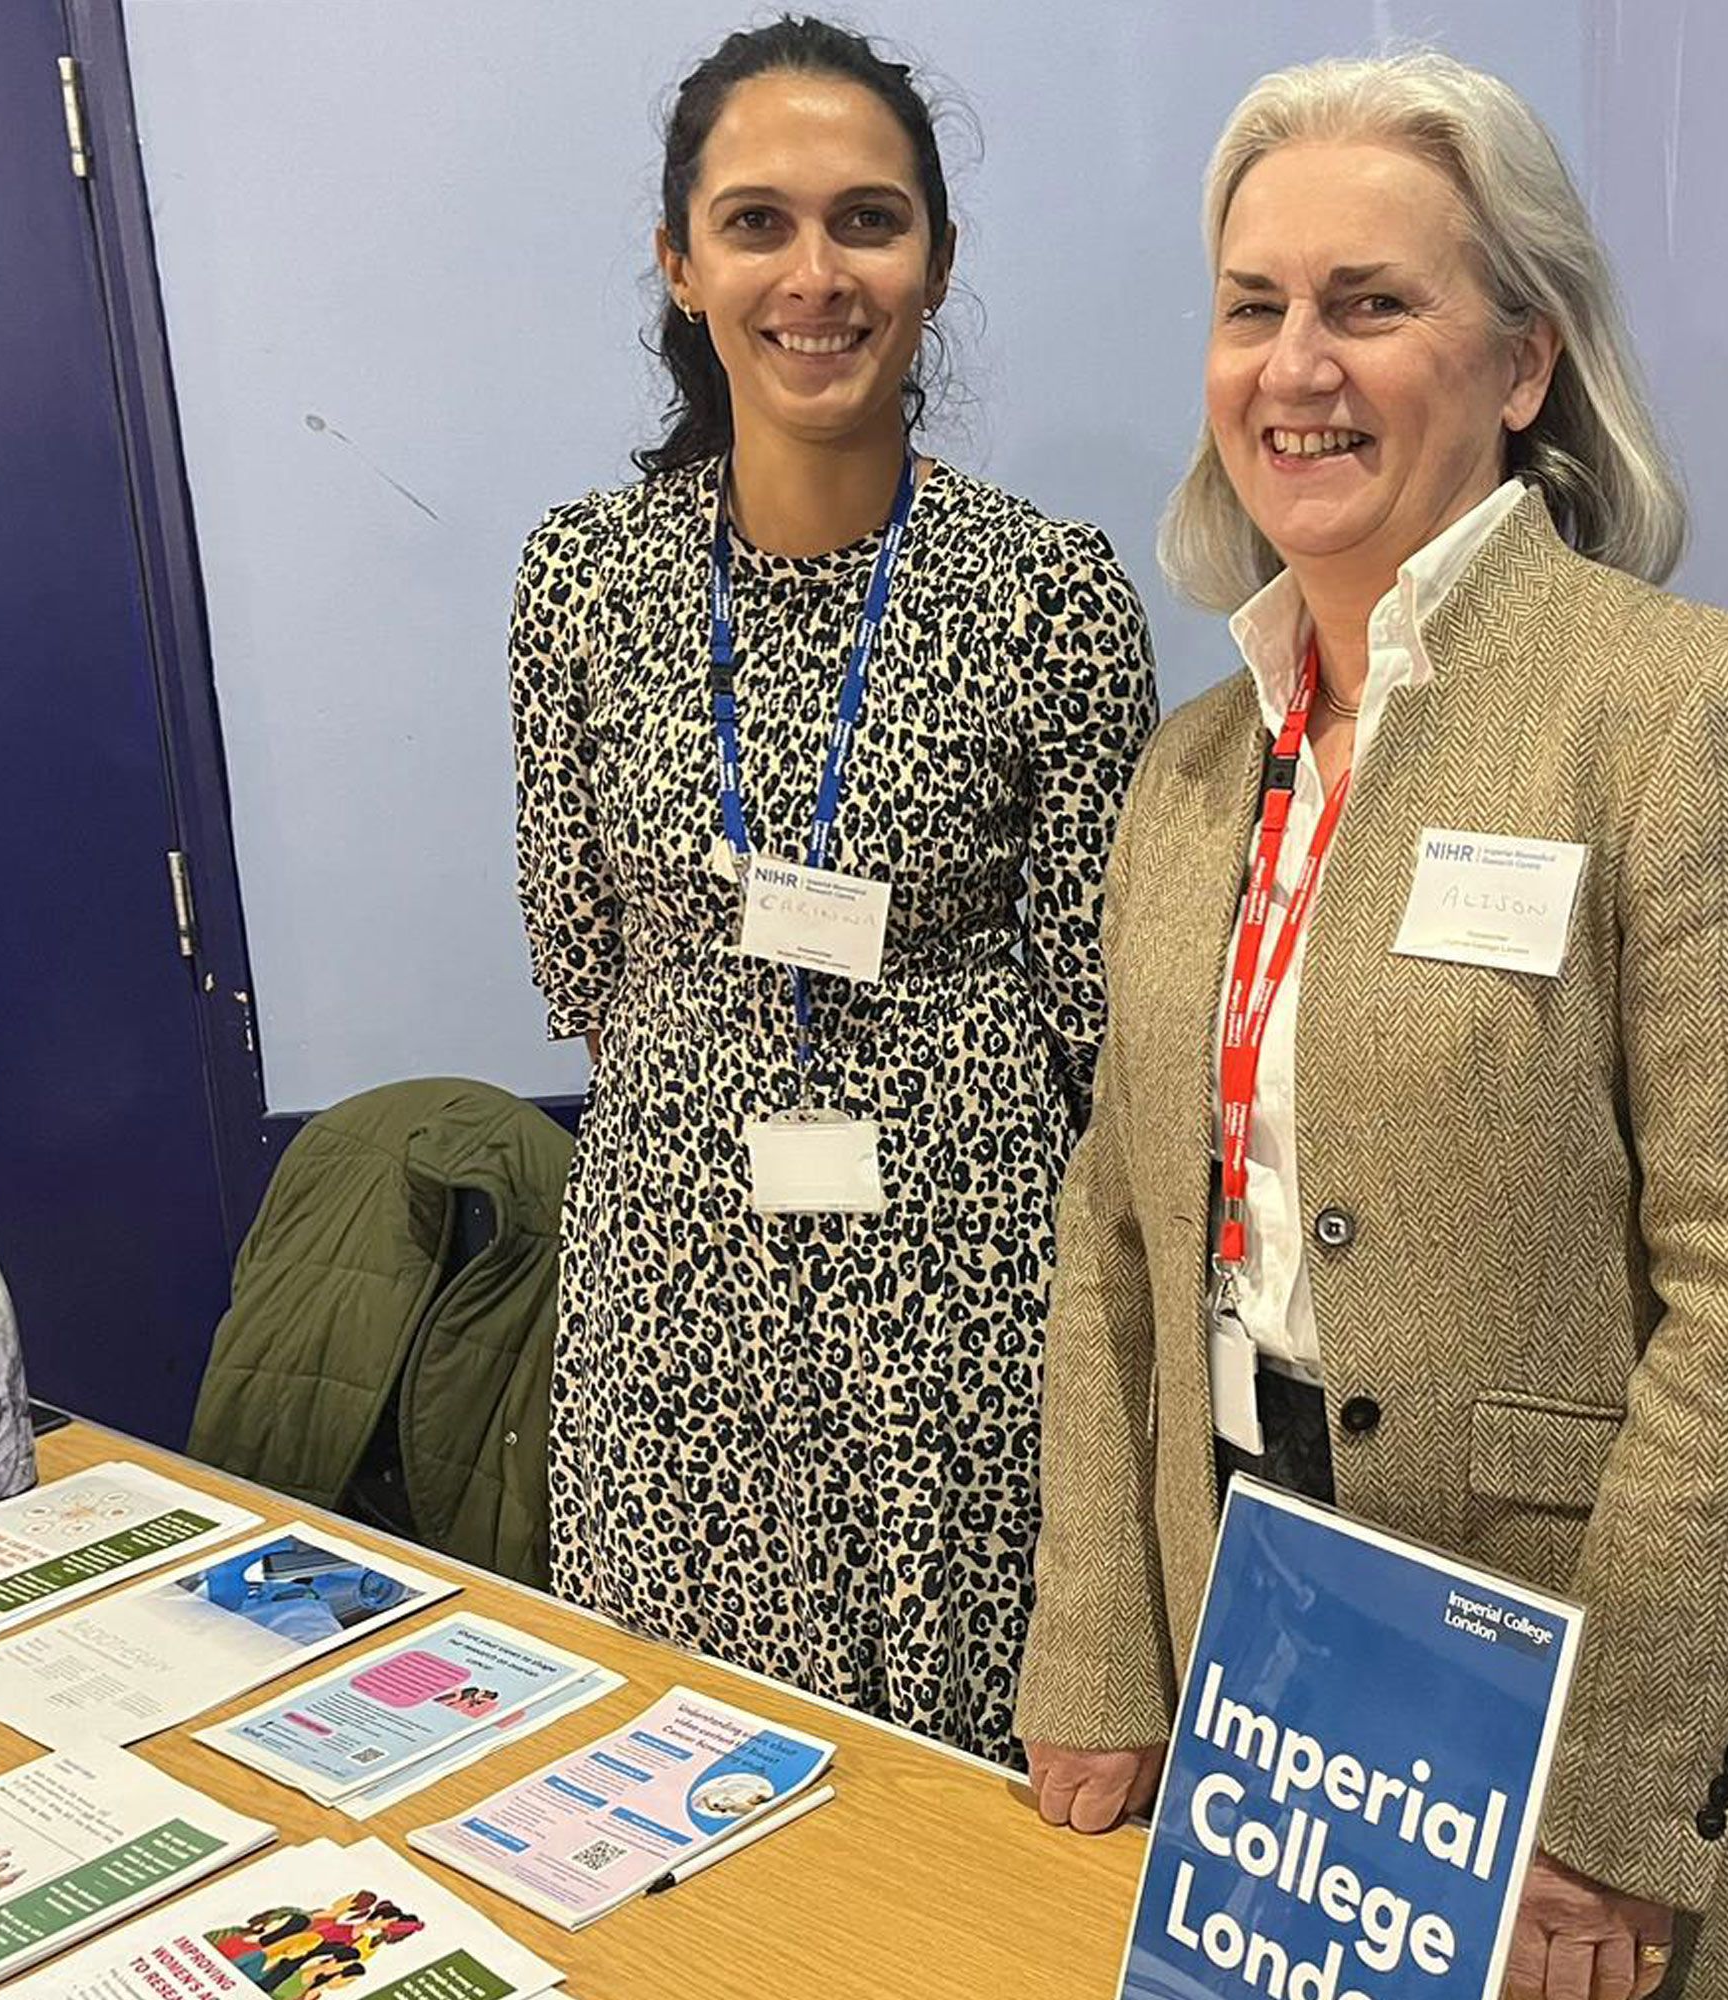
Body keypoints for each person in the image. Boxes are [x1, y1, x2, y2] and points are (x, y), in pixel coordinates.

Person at [1016, 52, 1728, 2000]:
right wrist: (1096, 1644)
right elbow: (1117, 1233)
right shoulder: (1189, 768)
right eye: (1256, 305)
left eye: (1371, 302)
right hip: (1263, 1688)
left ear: (1521, 364)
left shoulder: (1683, 716)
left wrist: (1609, 1803)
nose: (1294, 364)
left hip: (1577, 1711)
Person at [510, 16, 1156, 1764]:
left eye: (869, 220)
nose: (817, 274)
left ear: (937, 264)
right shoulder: (582, 581)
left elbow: (1105, 1018)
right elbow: (575, 948)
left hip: (973, 1298)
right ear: (680, 262)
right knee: (686, 1798)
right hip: (675, 1284)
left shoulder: (1051, 592)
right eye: (758, 222)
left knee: (987, 1816)